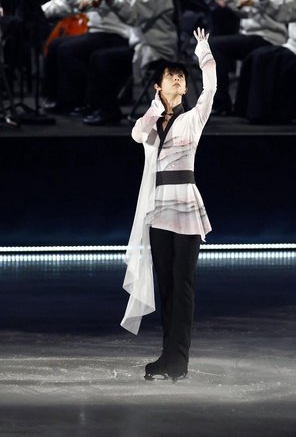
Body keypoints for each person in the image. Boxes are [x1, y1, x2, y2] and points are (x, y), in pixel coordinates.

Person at [122, 26, 215, 383]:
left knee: (183, 284)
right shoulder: (152, 124)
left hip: (186, 209)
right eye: (170, 77)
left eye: (181, 78)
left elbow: (211, 89)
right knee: (167, 286)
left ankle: (179, 360)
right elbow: (136, 134)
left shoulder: (193, 119)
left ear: (186, 88)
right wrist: (156, 108)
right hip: (158, 211)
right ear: (158, 87)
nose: (177, 80)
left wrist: (204, 53)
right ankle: (168, 356)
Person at [80, 0, 178, 125]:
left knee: (105, 59)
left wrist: (111, 1)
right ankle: (96, 106)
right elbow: (129, 3)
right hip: (142, 43)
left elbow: (134, 16)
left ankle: (109, 111)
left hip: (155, 48)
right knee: (97, 56)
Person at [37, 0, 132, 113]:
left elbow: (96, 4)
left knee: (68, 49)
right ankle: (54, 98)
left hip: (114, 33)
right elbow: (83, 6)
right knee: (55, 45)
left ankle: (74, 100)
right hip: (97, 31)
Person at [196, 0, 287, 114]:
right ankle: (222, 102)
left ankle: (221, 103)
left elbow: (251, 10)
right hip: (252, 34)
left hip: (268, 36)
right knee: (215, 43)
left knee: (214, 45)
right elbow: (244, 11)